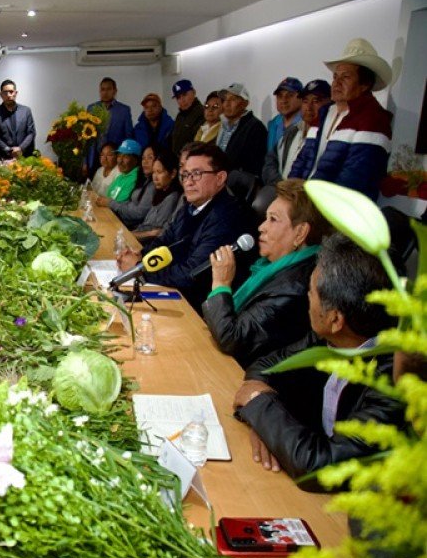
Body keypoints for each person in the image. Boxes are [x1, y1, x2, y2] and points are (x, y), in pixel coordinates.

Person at [233, 234, 403, 485]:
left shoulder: (393, 381)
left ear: (335, 320)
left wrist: (262, 408)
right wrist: (270, 428)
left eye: (311, 292)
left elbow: (319, 465)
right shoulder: (331, 337)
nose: (307, 299)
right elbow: (265, 367)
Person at [201, 179, 332, 367]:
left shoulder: (296, 287)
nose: (261, 227)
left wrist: (221, 284)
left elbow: (233, 339)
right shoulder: (267, 268)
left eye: (273, 219)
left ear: (300, 233)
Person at [117, 143, 251, 309]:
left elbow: (192, 273)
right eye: (186, 175)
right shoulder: (191, 205)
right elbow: (165, 241)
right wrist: (141, 257)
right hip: (177, 292)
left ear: (220, 178)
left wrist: (141, 270)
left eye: (196, 174)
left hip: (198, 306)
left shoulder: (226, 217)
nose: (188, 182)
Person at [289, 38, 393, 201]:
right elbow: (303, 160)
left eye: (345, 77)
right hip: (307, 205)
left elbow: (355, 178)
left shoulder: (374, 119)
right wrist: (290, 193)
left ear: (364, 84)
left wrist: (312, 205)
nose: (336, 83)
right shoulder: (324, 114)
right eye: (335, 76)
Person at [262, 80, 332, 186]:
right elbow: (271, 160)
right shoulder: (292, 131)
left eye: (316, 101)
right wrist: (281, 186)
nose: (309, 107)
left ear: (330, 103)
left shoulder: (331, 136)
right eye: (305, 101)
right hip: (284, 194)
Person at [131, 147, 183, 244]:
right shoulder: (160, 193)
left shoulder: (172, 198)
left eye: (159, 172)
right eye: (154, 172)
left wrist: (130, 235)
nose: (155, 177)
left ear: (173, 174)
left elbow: (155, 232)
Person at [216, 83, 268, 178]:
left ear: (245, 103)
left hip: (239, 185)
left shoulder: (255, 127)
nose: (227, 104)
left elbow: (255, 165)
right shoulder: (223, 126)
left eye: (232, 99)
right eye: (225, 100)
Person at [97, 143, 154, 228]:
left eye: (125, 157)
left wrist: (109, 203)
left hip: (120, 224)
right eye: (119, 156)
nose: (120, 161)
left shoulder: (137, 178)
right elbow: (109, 198)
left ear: (136, 160)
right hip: (110, 217)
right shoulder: (121, 176)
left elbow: (119, 205)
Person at [85, 77, 134, 175]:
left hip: (115, 158)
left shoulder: (124, 110)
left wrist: (125, 158)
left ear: (115, 91)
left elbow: (128, 136)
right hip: (95, 157)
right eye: (102, 89)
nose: (105, 92)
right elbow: (86, 138)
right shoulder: (92, 109)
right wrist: (85, 162)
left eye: (108, 89)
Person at [0, 79, 36, 159]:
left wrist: (20, 148)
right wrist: (10, 151)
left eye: (11, 91)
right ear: (0, 94)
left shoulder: (26, 111)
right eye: (5, 92)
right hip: (3, 158)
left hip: (25, 157)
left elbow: (31, 133)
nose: (8, 95)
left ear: (15, 93)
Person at [266, 77, 304, 151]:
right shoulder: (273, 124)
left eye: (290, 95)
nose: (284, 100)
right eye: (280, 96)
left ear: (301, 98)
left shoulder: (307, 124)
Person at [169, 80, 205, 155]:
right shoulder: (180, 116)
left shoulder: (202, 114)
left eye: (185, 94)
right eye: (178, 97)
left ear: (194, 92)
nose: (182, 100)